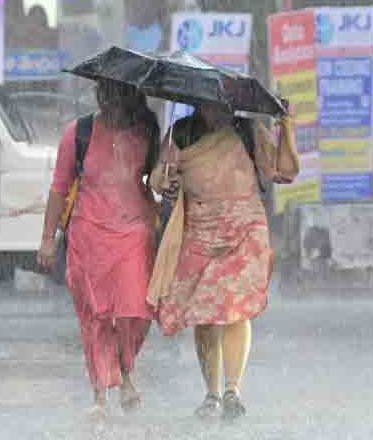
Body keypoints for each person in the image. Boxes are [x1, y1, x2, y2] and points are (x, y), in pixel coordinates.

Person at [151, 102, 292, 423]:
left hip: (244, 231)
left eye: (222, 105)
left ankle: (232, 390)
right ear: (199, 106)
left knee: (235, 309)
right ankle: (212, 394)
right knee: (204, 314)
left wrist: (287, 126)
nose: (217, 112)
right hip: (198, 233)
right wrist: (164, 179)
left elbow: (282, 171)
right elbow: (156, 179)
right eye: (210, 106)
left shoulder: (247, 130)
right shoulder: (182, 133)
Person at [37, 79, 160, 421]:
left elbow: (157, 176)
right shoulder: (78, 133)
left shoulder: (147, 131)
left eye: (116, 93)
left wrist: (167, 176)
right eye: (104, 93)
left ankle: (126, 370)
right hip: (88, 236)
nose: (109, 101)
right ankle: (101, 394)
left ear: (130, 95)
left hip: (135, 234)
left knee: (135, 311)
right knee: (96, 318)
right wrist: (48, 237)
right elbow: (59, 188)